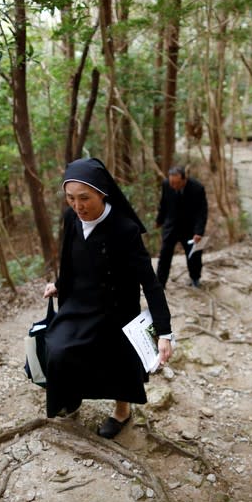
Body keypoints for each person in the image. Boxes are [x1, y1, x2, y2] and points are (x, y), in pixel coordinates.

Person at [42, 157, 174, 439]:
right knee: (58, 348)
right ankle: (71, 395)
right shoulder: (71, 219)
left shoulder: (125, 229)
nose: (78, 206)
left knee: (117, 359)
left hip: (116, 308)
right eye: (70, 198)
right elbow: (69, 259)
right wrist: (59, 284)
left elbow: (150, 283)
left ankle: (122, 412)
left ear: (102, 192)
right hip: (80, 302)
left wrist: (164, 332)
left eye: (85, 198)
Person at [155, 166, 208, 288]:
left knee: (194, 255)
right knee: (164, 255)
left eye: (176, 183)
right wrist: (159, 220)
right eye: (171, 182)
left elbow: (202, 212)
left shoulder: (197, 188)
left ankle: (195, 278)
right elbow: (163, 204)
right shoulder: (166, 184)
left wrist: (199, 232)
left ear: (184, 179)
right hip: (171, 226)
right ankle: (160, 283)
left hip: (190, 228)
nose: (173, 186)